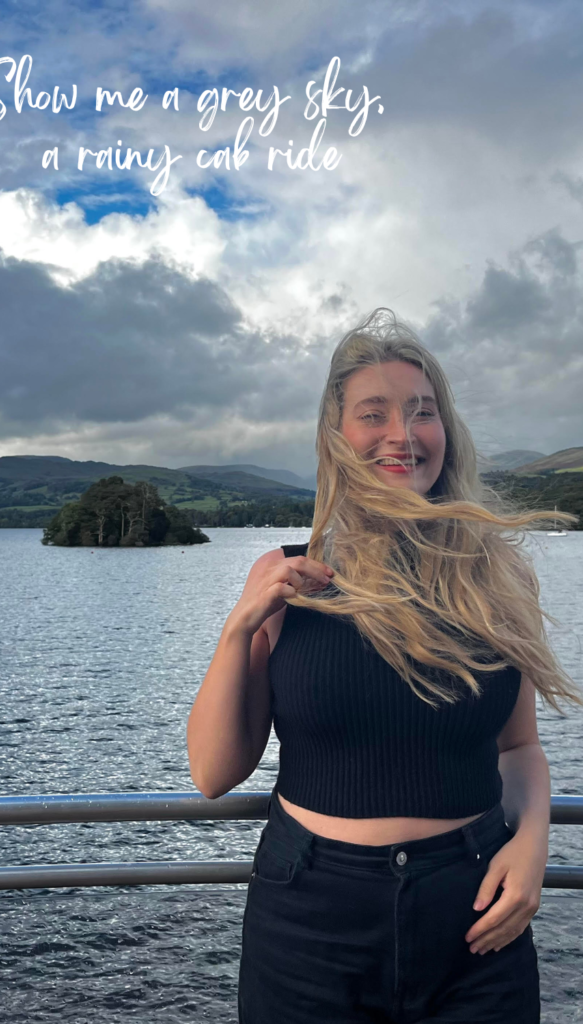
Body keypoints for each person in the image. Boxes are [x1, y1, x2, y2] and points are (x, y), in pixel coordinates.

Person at [187, 308, 582, 1024]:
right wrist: (239, 626)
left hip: (474, 915)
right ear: (337, 438)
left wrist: (531, 848)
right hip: (309, 920)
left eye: (422, 412)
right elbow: (214, 774)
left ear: (445, 431)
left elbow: (518, 746)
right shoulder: (285, 576)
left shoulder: (494, 577)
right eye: (375, 414)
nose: (402, 434)